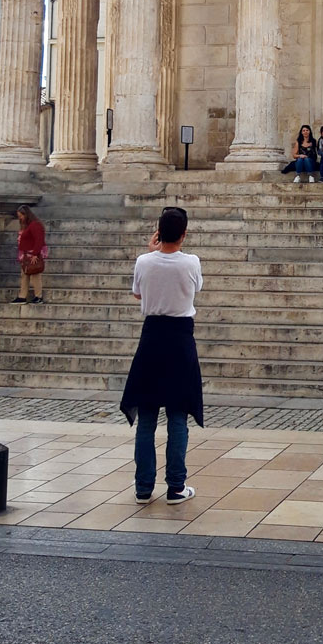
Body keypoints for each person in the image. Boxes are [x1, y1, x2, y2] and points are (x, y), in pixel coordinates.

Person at [120, 206, 203, 505]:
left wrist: (151, 252)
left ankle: (143, 487)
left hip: (152, 338)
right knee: (178, 416)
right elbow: (196, 290)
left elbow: (138, 294)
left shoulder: (144, 261)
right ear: (183, 234)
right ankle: (176, 486)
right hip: (180, 339)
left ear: (158, 232)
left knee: (147, 418)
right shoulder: (191, 262)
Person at [13, 204, 46, 305]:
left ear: (26, 215)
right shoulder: (27, 225)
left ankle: (38, 296)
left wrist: (35, 254)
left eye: (21, 216)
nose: (20, 218)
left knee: (35, 274)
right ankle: (22, 296)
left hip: (32, 253)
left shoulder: (35, 225)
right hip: (26, 253)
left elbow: (39, 239)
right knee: (25, 274)